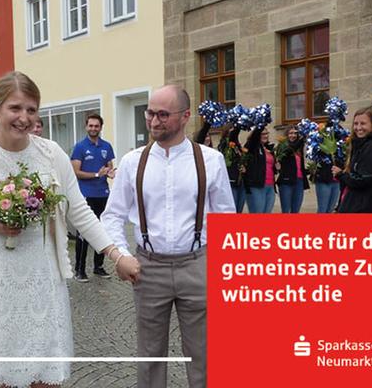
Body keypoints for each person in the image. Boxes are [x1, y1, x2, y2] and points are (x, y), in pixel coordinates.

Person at [0, 72, 133, 388]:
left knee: (43, 377)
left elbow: (79, 211)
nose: (24, 118)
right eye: (15, 108)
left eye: (31, 109)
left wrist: (115, 253)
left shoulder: (51, 153)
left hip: (41, 282)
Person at [101, 85, 236, 388]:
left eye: (163, 114)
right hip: (148, 267)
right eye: (150, 113)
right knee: (150, 356)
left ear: (185, 116)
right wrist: (121, 255)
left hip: (198, 264)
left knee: (204, 355)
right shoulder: (133, 162)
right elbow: (112, 215)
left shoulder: (210, 160)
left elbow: (225, 217)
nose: (154, 120)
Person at [70, 113, 115, 282]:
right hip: (86, 195)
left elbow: (109, 167)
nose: (93, 128)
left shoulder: (106, 146)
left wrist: (110, 173)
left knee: (102, 231)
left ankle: (98, 267)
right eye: (91, 126)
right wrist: (97, 174)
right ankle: (79, 270)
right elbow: (76, 172)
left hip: (103, 194)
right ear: (86, 127)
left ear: (101, 127)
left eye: (97, 126)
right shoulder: (80, 147)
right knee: (84, 233)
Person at [333, 106, 372, 213]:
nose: (358, 128)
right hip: (354, 203)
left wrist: (340, 174)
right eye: (356, 124)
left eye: (363, 123)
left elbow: (362, 180)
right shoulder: (359, 145)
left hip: (363, 206)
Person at [243, 127, 276, 213]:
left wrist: (277, 166)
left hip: (270, 185)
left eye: (266, 133)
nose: (265, 136)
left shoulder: (269, 148)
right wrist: (261, 122)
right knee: (258, 214)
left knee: (267, 213)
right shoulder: (252, 146)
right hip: (257, 185)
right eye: (262, 134)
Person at [276, 126, 309, 213]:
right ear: (286, 135)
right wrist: (302, 139)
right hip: (286, 182)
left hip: (299, 181)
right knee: (286, 210)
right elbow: (289, 151)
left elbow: (299, 167)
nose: (293, 135)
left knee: (296, 210)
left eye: (295, 133)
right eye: (291, 133)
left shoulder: (299, 148)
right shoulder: (282, 146)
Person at [218, 125, 246, 213]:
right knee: (232, 210)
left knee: (239, 210)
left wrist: (244, 167)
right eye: (231, 129)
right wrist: (239, 122)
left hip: (241, 181)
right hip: (231, 181)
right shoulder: (224, 144)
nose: (233, 131)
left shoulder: (237, 146)